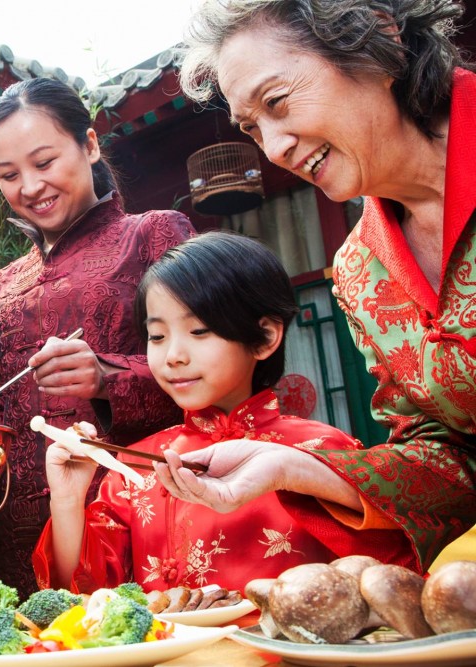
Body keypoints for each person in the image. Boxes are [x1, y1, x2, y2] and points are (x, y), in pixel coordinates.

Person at [175, 0, 476, 571]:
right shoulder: (360, 272)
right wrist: (289, 465)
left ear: (375, 41)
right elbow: (451, 460)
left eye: (278, 102)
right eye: (252, 126)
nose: (274, 148)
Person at [33, 232, 416, 593]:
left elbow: (386, 577)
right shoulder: (133, 469)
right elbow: (82, 596)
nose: (173, 356)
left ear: (265, 337)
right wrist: (67, 501)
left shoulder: (326, 452)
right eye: (157, 336)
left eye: (199, 331)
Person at [0, 77, 194, 597]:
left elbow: (217, 367)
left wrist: (106, 376)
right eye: (9, 174)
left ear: (90, 145)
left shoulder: (153, 235)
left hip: (136, 514)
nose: (29, 186)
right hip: (20, 539)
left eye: (44, 162)